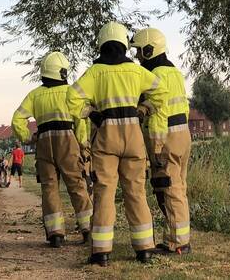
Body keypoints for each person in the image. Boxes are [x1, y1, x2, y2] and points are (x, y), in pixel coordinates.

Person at [67, 22, 169, 267]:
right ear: (125, 43)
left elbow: (71, 98)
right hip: (133, 134)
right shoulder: (137, 72)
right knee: (135, 192)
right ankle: (144, 248)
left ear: (102, 43)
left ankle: (101, 252)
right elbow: (162, 93)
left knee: (105, 192)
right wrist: (144, 110)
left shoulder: (95, 72)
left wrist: (91, 113)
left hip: (106, 134)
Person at [12, 50, 93, 248]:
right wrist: (83, 144)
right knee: (76, 185)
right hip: (67, 139)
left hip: (44, 141)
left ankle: (56, 233)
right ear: (63, 72)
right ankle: (88, 229)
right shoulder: (71, 92)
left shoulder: (35, 95)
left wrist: (28, 138)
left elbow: (17, 119)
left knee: (49, 187)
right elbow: (81, 121)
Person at [133, 27, 192, 255]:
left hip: (165, 137)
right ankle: (175, 239)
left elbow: (158, 113)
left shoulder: (154, 74)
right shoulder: (174, 72)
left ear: (149, 50)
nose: (138, 57)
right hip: (183, 135)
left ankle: (179, 243)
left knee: (170, 188)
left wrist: (156, 149)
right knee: (178, 187)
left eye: (139, 52)